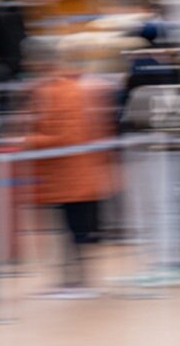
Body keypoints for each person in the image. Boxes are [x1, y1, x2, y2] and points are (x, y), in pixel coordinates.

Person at [25, 37, 115, 298]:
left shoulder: (61, 90)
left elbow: (68, 135)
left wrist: (27, 140)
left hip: (69, 174)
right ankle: (73, 279)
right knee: (71, 229)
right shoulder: (60, 88)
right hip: (66, 174)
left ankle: (78, 281)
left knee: (74, 229)